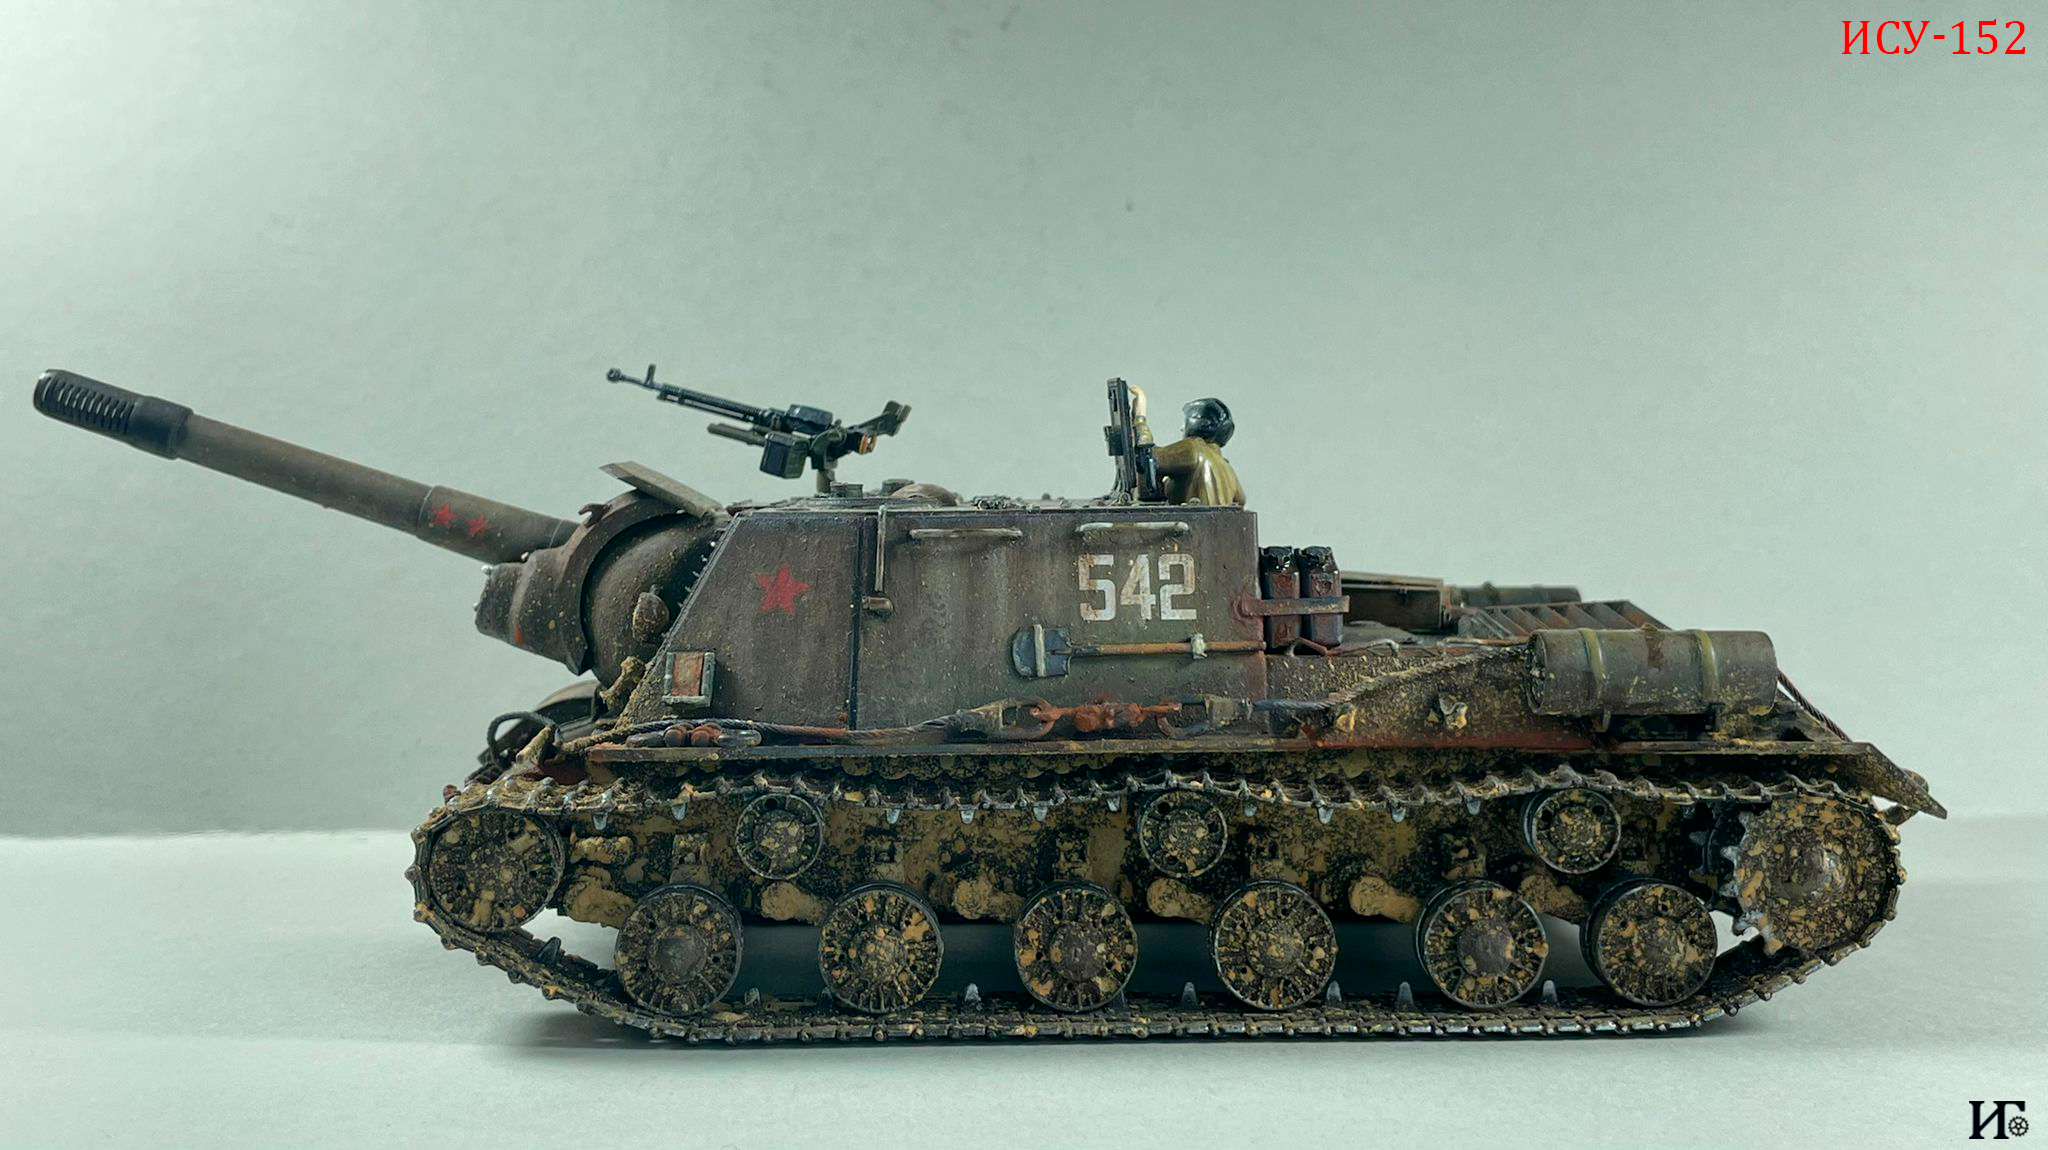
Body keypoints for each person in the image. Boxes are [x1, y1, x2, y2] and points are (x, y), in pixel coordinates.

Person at [1151, 397, 1244, 506]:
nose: (1182, 428)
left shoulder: (1191, 448)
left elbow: (1148, 458)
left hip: (1190, 517)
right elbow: (1240, 500)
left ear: (1196, 423)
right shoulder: (1227, 468)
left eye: (1185, 422)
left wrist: (1140, 420)